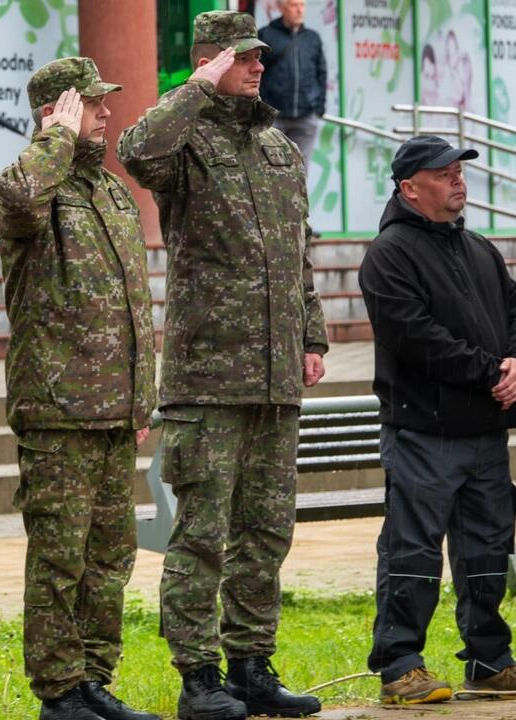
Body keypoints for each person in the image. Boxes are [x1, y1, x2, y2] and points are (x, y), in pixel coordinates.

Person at [118, 12, 327, 720]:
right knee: (201, 535)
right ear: (210, 62)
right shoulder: (185, 142)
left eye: (262, 56)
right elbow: (136, 149)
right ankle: (198, 677)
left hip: (275, 380)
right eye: (245, 57)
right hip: (208, 380)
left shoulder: (276, 148)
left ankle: (252, 665)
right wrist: (194, 88)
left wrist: (314, 337)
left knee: (265, 533)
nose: (261, 66)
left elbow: (300, 251)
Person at [0, 58, 159, 720]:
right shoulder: (29, 188)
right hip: (59, 411)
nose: (106, 111)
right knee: (59, 560)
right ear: (54, 114)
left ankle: (94, 679)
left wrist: (140, 395)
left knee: (109, 558)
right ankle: (59, 692)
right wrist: (54, 138)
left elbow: (133, 307)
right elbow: (20, 203)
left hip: (115, 412)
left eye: (102, 102)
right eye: (90, 104)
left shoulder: (111, 193)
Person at [359, 136, 516, 702]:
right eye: (443, 173)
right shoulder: (389, 253)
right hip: (422, 432)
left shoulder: (479, 249)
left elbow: (515, 313)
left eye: (459, 171)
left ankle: (488, 660)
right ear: (409, 187)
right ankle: (400, 664)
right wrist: (488, 369)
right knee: (412, 553)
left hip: (484, 434)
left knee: (487, 553)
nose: (458, 180)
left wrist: (514, 363)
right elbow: (415, 337)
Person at [258, 0, 327, 171]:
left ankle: (297, 199)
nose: (299, 10)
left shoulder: (312, 38)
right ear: (282, 8)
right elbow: (255, 72)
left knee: (300, 172)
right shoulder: (266, 35)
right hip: (274, 118)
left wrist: (318, 107)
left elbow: (321, 73)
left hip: (306, 117)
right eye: (293, 5)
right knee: (271, 171)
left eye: (302, 5)